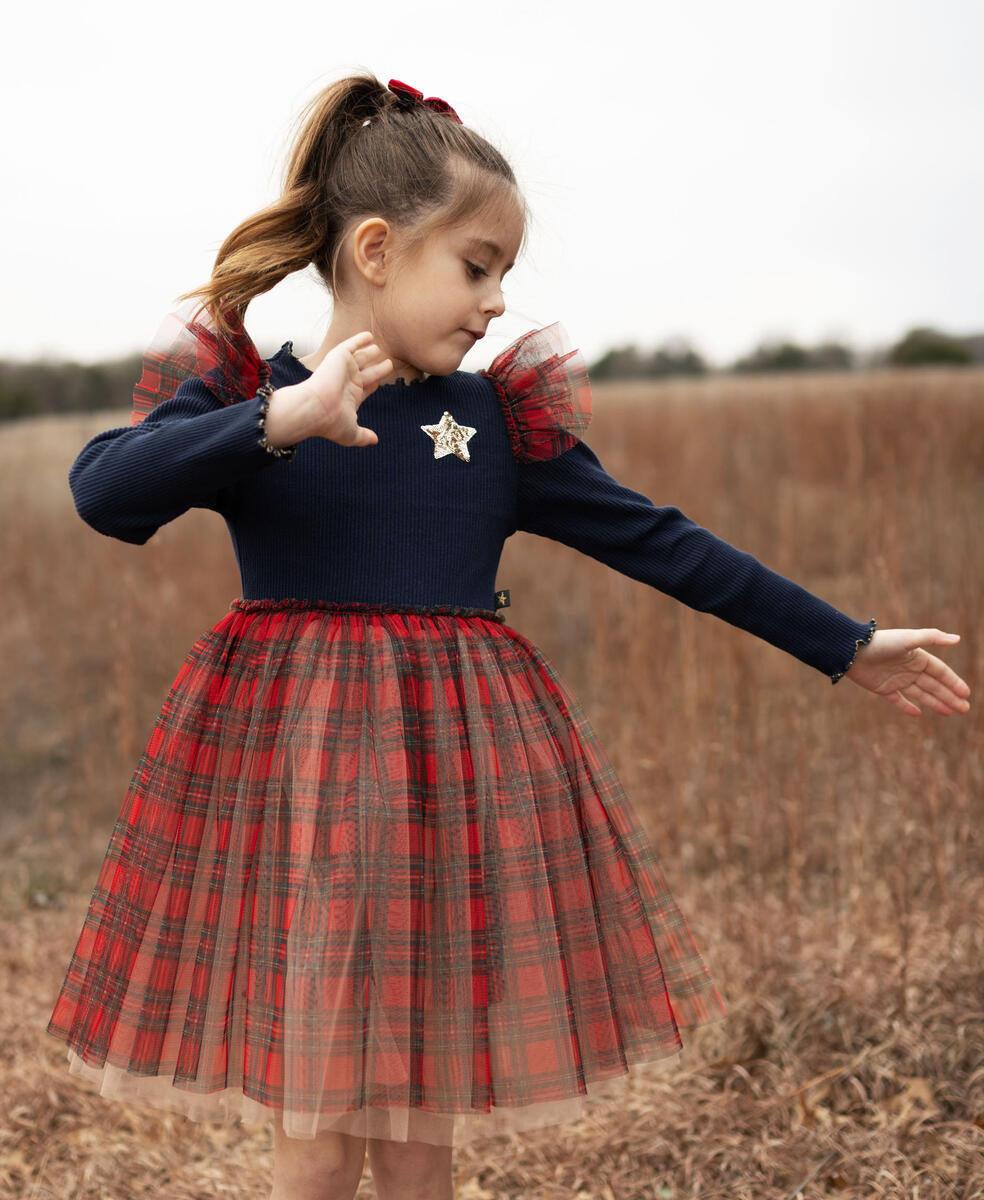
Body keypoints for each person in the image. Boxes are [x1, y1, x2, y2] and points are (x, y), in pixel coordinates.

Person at [44, 72, 971, 1200]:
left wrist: (844, 640)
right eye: (475, 266)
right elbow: (105, 491)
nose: (493, 303)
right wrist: (281, 422)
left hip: (447, 786)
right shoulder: (251, 401)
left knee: (420, 1123)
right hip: (301, 786)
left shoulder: (491, 421)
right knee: (317, 1126)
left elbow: (662, 542)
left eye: (506, 276)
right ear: (377, 250)